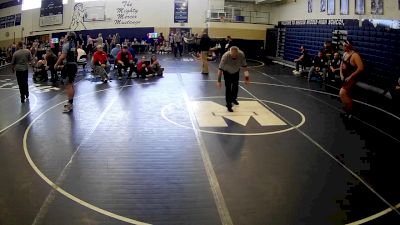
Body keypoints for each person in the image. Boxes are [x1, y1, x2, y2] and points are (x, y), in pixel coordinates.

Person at [217, 46, 250, 112]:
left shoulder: (241, 55)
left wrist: (247, 78)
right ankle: (229, 105)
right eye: (232, 56)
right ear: (230, 53)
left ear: (238, 53)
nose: (234, 57)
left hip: (236, 71)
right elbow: (220, 70)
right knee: (228, 88)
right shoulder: (225, 56)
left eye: (235, 55)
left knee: (235, 86)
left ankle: (233, 98)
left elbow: (245, 67)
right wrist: (219, 81)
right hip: (227, 72)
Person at [54, 31, 78, 113]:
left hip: (69, 66)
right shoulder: (73, 45)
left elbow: (63, 56)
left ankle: (70, 104)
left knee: (68, 86)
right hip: (73, 66)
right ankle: (70, 103)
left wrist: (56, 64)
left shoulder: (66, 45)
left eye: (66, 35)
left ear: (69, 37)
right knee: (71, 85)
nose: (64, 37)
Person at [339, 40, 364, 119]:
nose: (343, 47)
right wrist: (341, 74)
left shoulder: (355, 55)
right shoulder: (345, 54)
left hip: (351, 78)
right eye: (343, 45)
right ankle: (347, 109)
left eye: (345, 45)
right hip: (345, 77)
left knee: (342, 93)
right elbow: (341, 65)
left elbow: (361, 68)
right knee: (343, 95)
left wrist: (350, 77)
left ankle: (350, 111)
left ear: (350, 46)